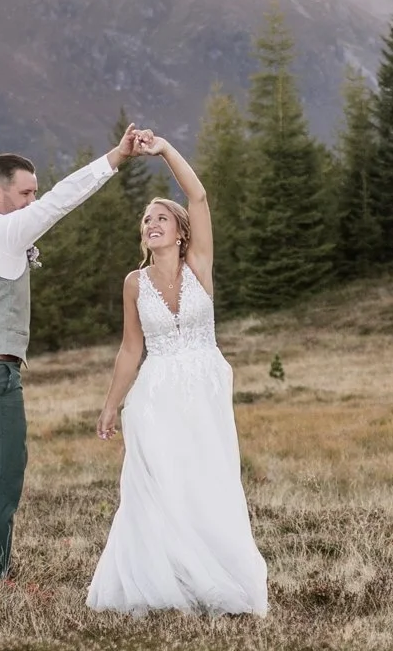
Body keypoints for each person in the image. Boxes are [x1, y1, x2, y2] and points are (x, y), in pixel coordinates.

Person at [0, 126, 142, 581]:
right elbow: (61, 201)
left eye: (34, 192)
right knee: (4, 478)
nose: (33, 199)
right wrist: (114, 157)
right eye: (25, 192)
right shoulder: (4, 232)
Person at [88, 129, 268, 615]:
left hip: (204, 390)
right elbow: (130, 350)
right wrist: (111, 405)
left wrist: (163, 150)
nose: (151, 223)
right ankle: (158, 582)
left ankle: (208, 578)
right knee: (158, 484)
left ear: (181, 230)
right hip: (154, 396)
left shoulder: (199, 266)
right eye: (146, 219)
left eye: (161, 217)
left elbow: (199, 194)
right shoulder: (134, 283)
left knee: (206, 482)